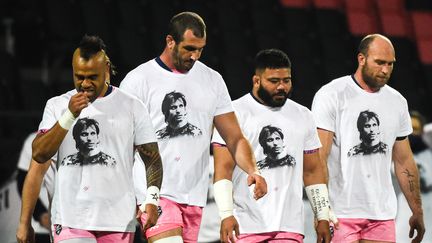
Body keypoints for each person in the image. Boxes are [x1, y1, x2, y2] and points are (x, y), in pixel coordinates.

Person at [120, 11, 266, 243]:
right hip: (155, 193)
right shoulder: (139, 81)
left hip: (194, 195)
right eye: (189, 48)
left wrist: (253, 170)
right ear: (170, 41)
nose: (195, 56)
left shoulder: (212, 80)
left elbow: (234, 138)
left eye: (200, 49)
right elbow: (123, 144)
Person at [18, 35, 163, 243]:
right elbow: (39, 155)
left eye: (92, 77)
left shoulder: (132, 106)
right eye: (79, 76)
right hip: (70, 220)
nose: (85, 84)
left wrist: (152, 198)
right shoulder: (57, 106)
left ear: (106, 68)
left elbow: (152, 158)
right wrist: (69, 116)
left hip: (119, 221)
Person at [312, 33, 425, 242]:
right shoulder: (332, 95)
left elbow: (404, 161)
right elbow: (319, 157)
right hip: (340, 213)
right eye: (380, 62)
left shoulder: (397, 102)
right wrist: (321, 210)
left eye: (390, 64)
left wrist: (417, 210)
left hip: (381, 214)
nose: (385, 70)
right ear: (361, 59)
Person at [212, 49, 331, 243]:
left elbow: (312, 171)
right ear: (256, 81)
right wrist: (226, 214)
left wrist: (322, 215)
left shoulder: (303, 115)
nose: (282, 87)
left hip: (289, 227)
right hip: (246, 225)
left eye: (286, 80)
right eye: (274, 81)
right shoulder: (233, 113)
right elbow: (223, 169)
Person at [16, 132, 55, 243]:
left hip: (76, 226)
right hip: (41, 229)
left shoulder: (85, 136)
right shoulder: (34, 140)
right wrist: (40, 214)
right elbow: (23, 181)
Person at [396, 123, 432, 242]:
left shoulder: (428, 153)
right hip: (407, 210)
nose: (412, 133)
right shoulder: (397, 155)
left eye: (415, 129)